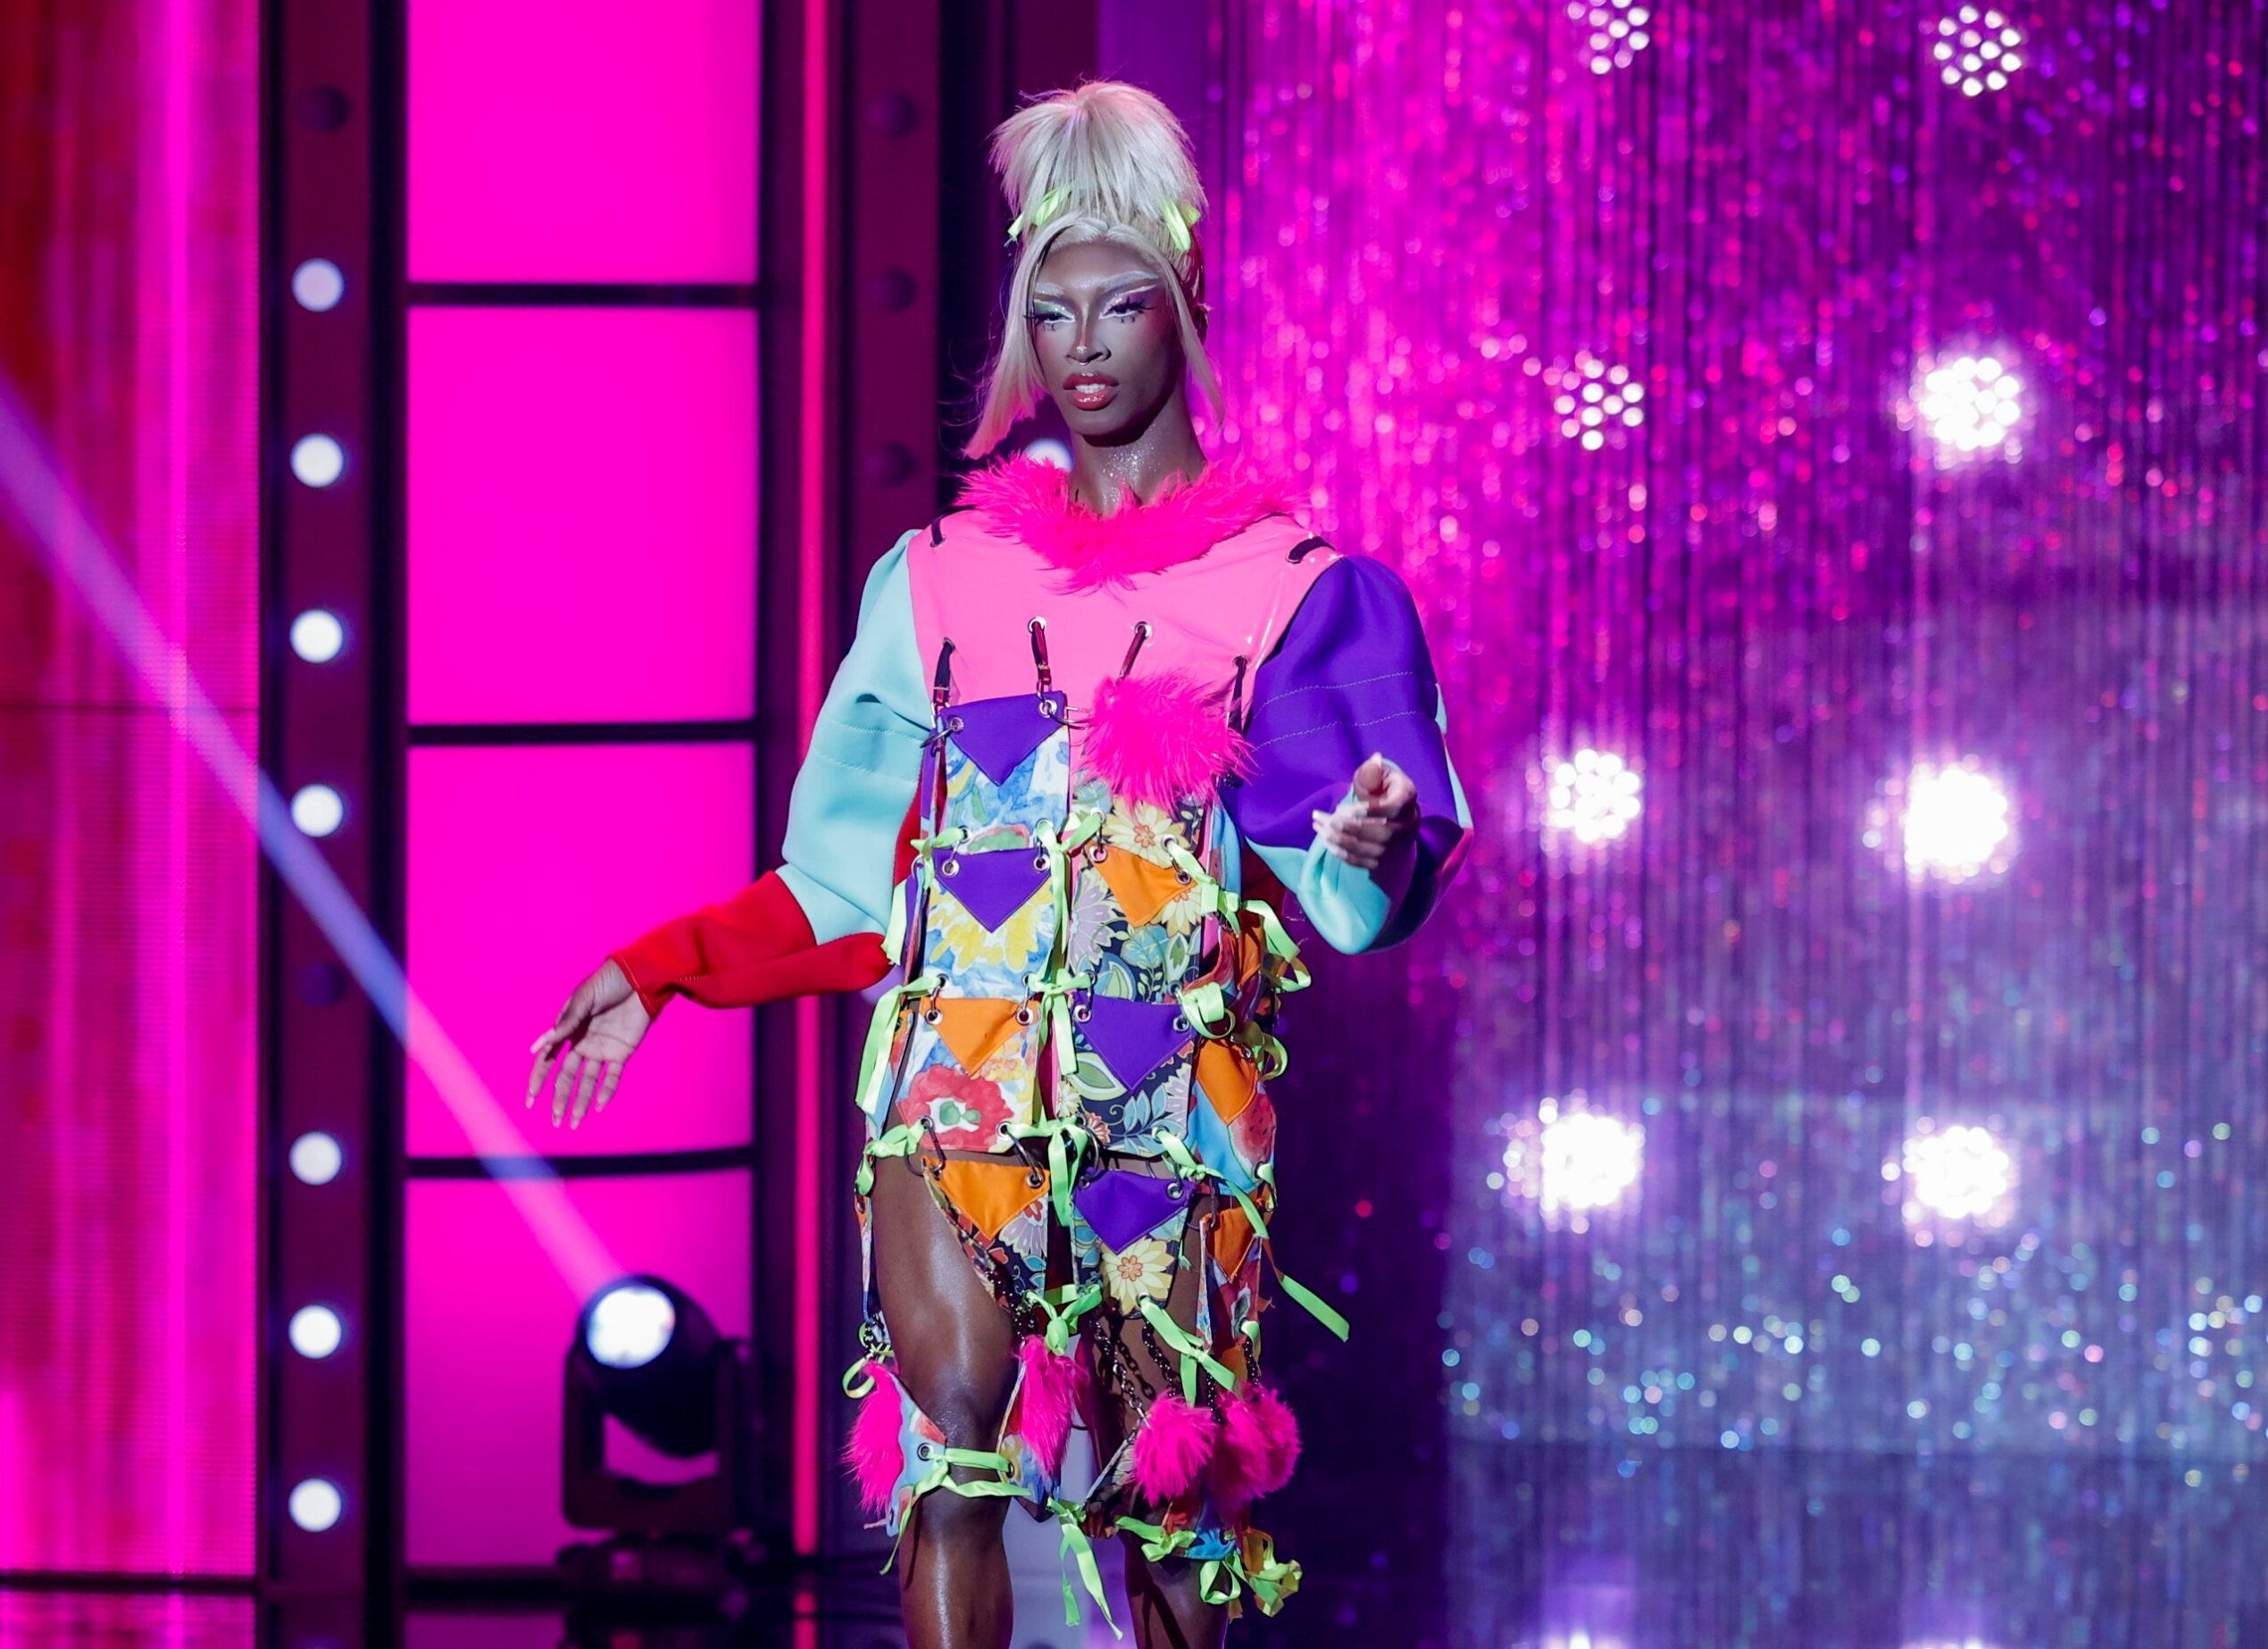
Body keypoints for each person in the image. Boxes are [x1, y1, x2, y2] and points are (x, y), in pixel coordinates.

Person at [525, 79, 1471, 1649]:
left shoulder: (1295, 590)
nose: (1084, 345)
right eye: (1052, 312)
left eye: (1120, 307)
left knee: (1174, 1503)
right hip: (954, 1083)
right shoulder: (939, 582)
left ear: (1186, 309)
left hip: (1166, 1105)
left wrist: (1368, 844)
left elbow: (1360, 872)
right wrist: (661, 968)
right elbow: (846, 884)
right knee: (951, 1454)